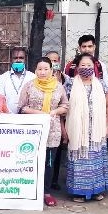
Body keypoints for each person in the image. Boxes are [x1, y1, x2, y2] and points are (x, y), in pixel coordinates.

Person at [19, 58, 69, 206]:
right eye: (39, 69)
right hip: (32, 129)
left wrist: (54, 112)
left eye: (46, 69)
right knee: (30, 159)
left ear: (51, 70)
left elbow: (65, 106)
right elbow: (22, 107)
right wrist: (38, 113)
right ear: (35, 70)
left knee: (49, 162)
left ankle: (46, 192)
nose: (42, 72)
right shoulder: (29, 86)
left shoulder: (58, 87)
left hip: (52, 130)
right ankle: (29, 191)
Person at [65, 53, 108, 202]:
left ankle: (96, 190)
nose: (86, 68)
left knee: (96, 161)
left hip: (97, 131)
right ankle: (79, 192)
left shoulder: (101, 84)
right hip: (77, 131)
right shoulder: (70, 84)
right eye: (83, 66)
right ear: (77, 67)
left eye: (89, 66)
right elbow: (63, 107)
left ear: (94, 67)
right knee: (80, 160)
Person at [46, 50, 67, 190]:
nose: (54, 63)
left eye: (56, 60)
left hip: (65, 118)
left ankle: (54, 180)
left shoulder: (66, 80)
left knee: (58, 152)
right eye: (50, 61)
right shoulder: (41, 78)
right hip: (49, 119)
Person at [0, 47, 35, 113]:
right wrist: (9, 113)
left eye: (21, 58)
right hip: (7, 116)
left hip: (27, 117)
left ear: (25, 59)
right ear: (11, 60)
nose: (18, 60)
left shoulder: (32, 77)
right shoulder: (3, 78)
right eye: (15, 58)